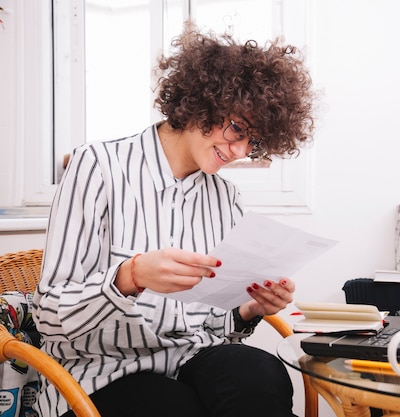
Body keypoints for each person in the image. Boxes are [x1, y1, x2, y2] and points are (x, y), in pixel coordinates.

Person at [33, 23, 315, 417]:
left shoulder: (225, 198)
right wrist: (129, 277)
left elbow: (215, 327)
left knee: (262, 375)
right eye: (236, 129)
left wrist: (249, 309)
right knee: (170, 405)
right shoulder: (97, 167)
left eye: (254, 141)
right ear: (202, 102)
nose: (239, 151)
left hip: (190, 361)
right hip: (102, 374)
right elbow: (48, 317)